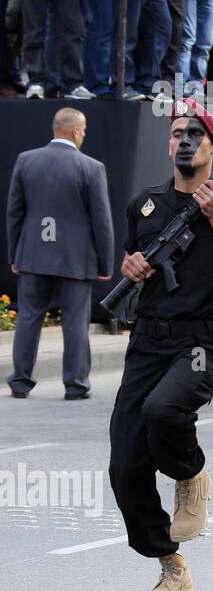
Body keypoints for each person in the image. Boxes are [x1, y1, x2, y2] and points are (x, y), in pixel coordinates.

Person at [108, 101, 213, 591]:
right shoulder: (146, 204)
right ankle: (170, 565)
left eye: (196, 133)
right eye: (177, 132)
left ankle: (191, 473)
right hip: (147, 340)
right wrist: (131, 267)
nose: (184, 140)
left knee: (164, 411)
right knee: (125, 465)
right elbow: (135, 260)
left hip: (200, 339)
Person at [6, 108, 113, 399]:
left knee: (28, 318)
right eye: (84, 130)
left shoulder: (26, 161)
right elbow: (101, 220)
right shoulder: (91, 167)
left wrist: (15, 254)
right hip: (76, 259)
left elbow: (15, 213)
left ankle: (20, 382)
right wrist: (105, 263)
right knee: (75, 322)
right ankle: (76, 384)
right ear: (76, 131)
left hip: (33, 255)